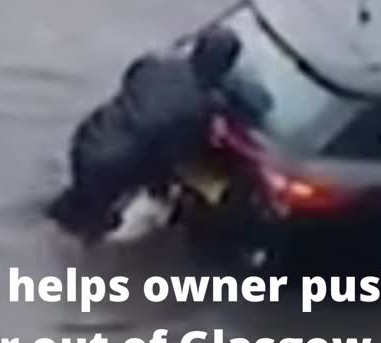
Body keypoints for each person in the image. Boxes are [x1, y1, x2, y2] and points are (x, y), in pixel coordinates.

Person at [47, 27, 242, 237]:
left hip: (88, 138)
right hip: (114, 166)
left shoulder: (155, 64)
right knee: (90, 227)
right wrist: (163, 191)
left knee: (72, 205)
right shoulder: (201, 107)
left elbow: (132, 81)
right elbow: (172, 157)